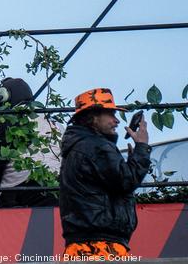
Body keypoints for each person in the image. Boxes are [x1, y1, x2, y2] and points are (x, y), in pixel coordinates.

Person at [59, 87, 151, 259]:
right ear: (93, 118)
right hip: (100, 247)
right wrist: (142, 148)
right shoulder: (97, 146)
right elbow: (126, 181)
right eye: (110, 114)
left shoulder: (78, 146)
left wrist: (131, 162)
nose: (116, 121)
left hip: (82, 246)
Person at [0, 77, 61, 207]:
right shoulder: (53, 123)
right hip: (58, 188)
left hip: (22, 192)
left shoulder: (14, 118)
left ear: (4, 96)